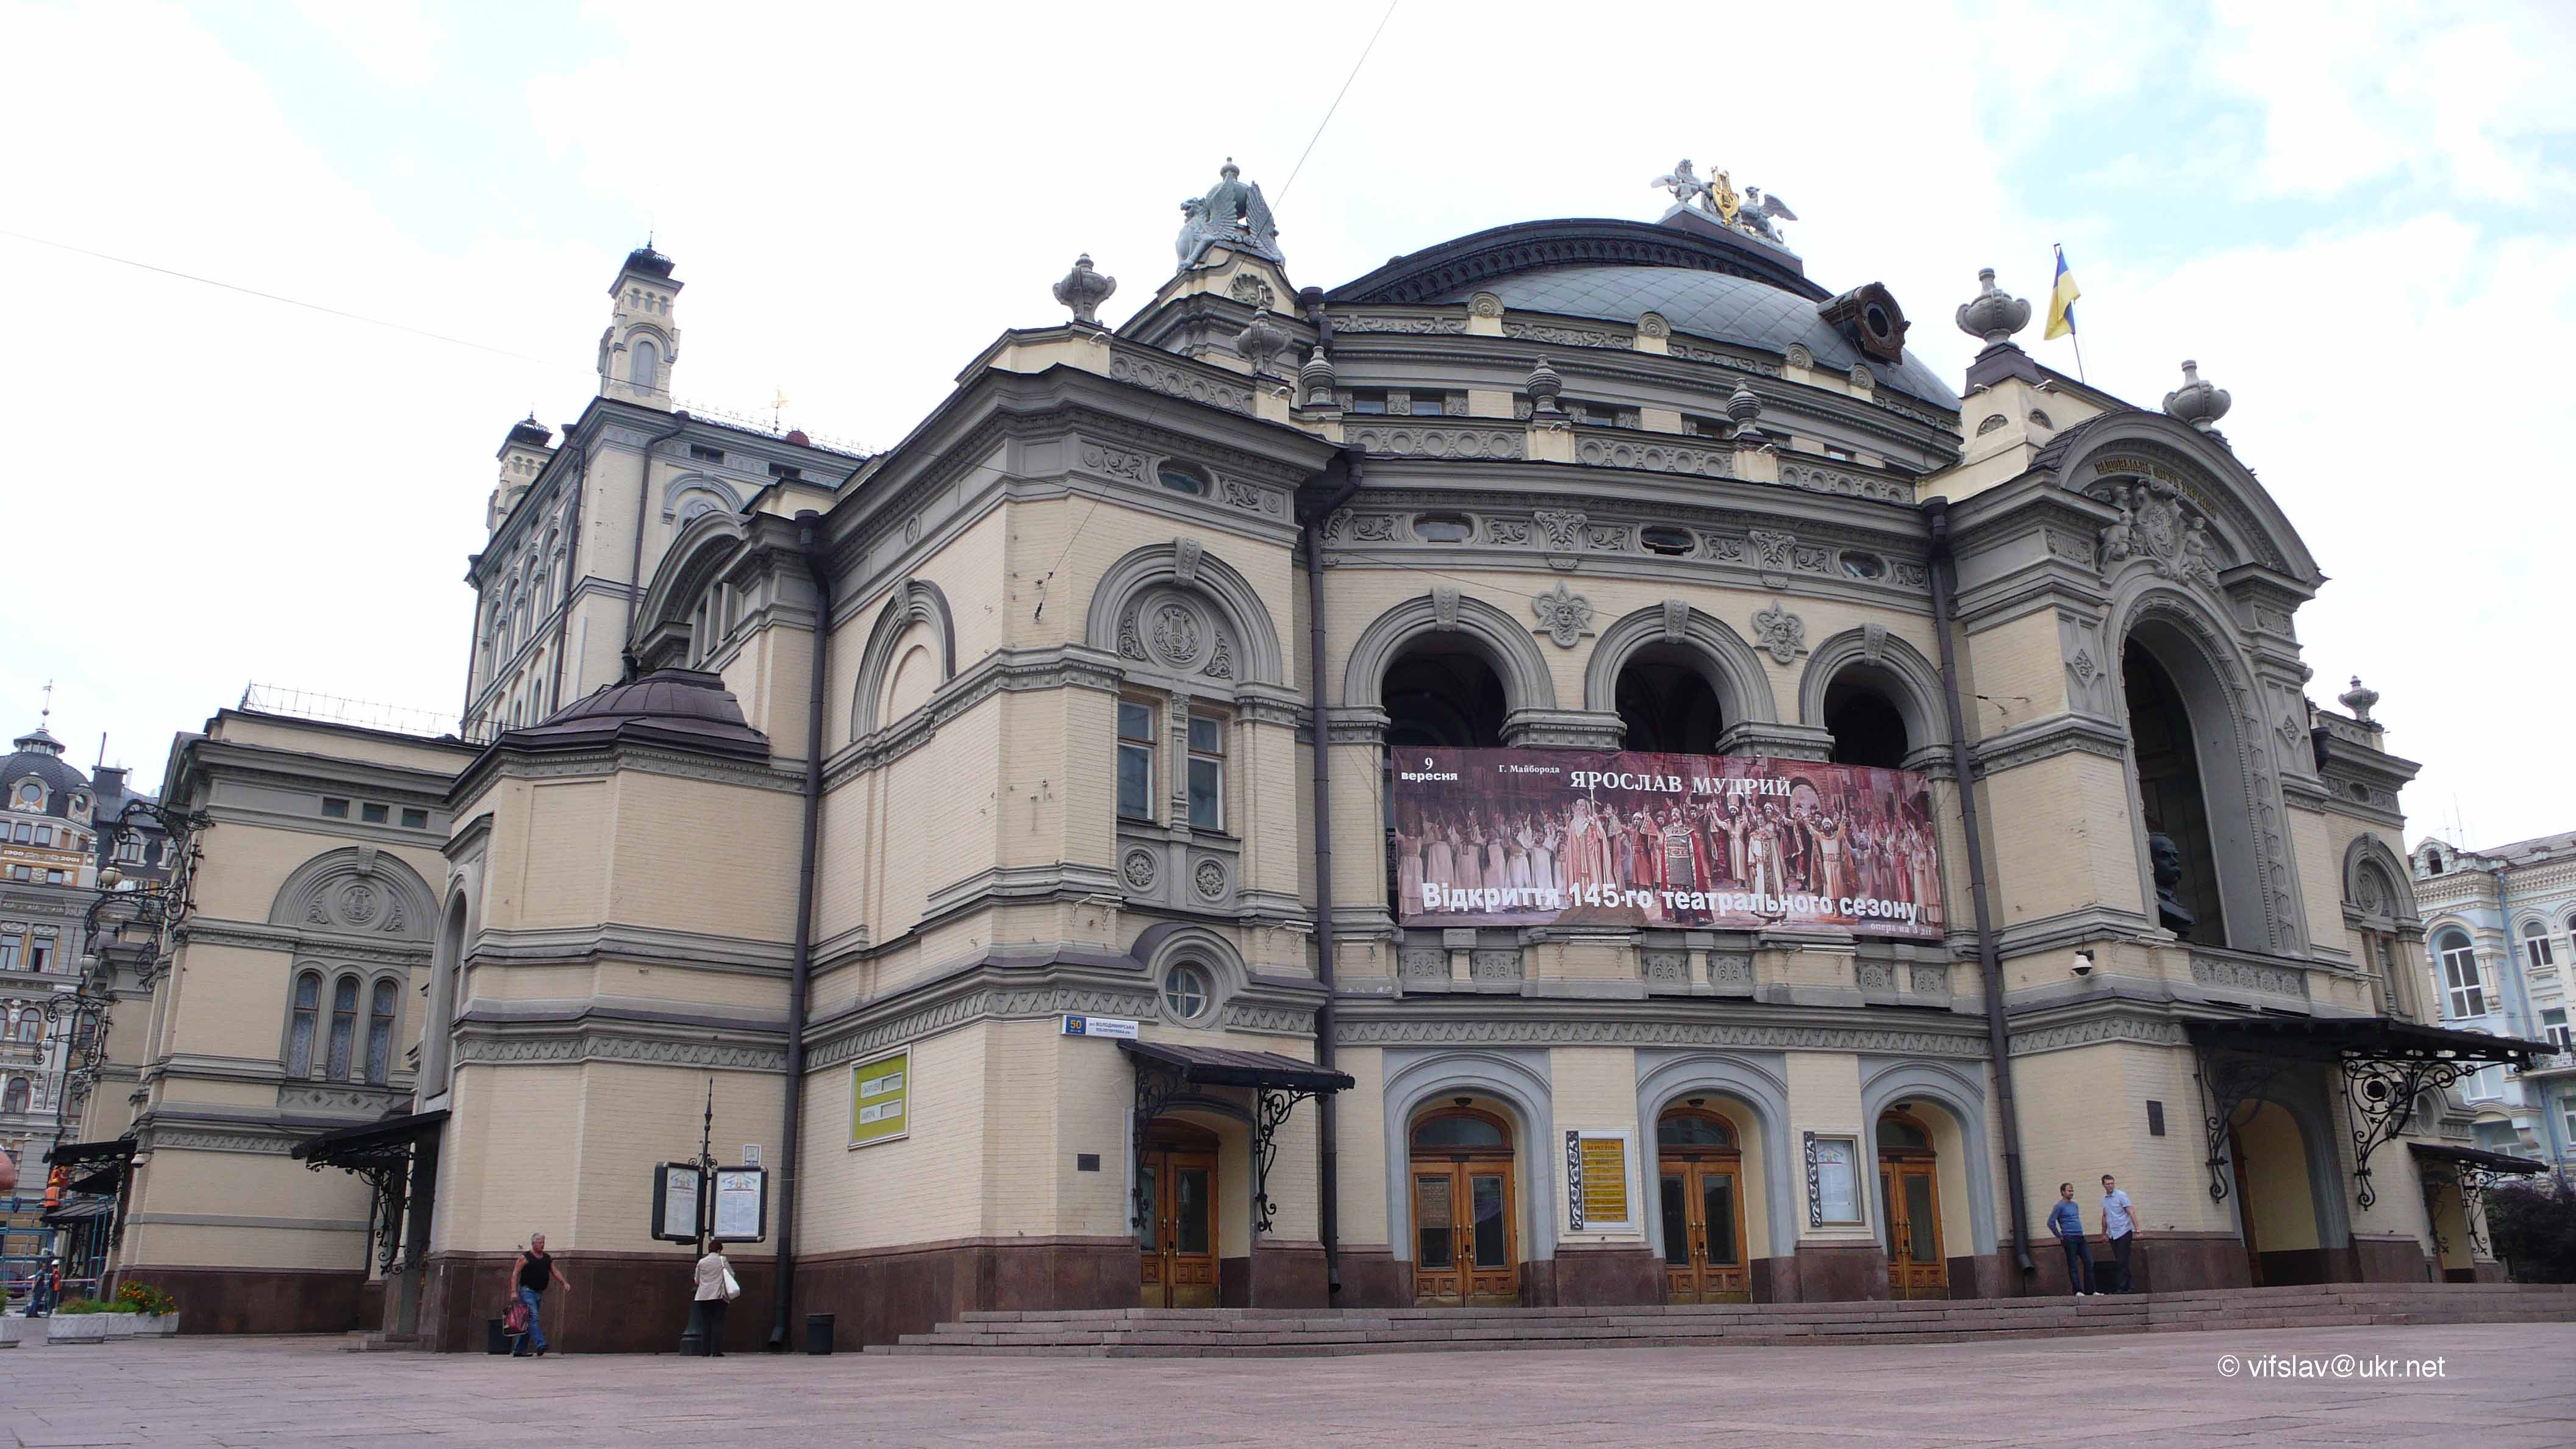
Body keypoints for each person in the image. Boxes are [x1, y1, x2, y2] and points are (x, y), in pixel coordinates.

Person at [512, 1231, 572, 1357]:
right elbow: (515, 1274)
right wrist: (513, 1292)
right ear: (533, 1243)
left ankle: (519, 1350)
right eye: (539, 1242)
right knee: (534, 1317)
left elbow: (555, 1272)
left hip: (538, 1292)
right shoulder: (525, 1257)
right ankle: (540, 1344)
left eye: (543, 1242)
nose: (542, 1245)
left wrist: (564, 1283)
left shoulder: (546, 1258)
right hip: (526, 1291)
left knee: (528, 1321)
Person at [2048, 1182, 2093, 1297]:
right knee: (2073, 1265)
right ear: (2063, 1192)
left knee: (2089, 1262)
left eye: (2072, 1191)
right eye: (2069, 1191)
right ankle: (2078, 1291)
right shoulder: (2059, 1206)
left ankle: (2091, 1291)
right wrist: (2060, 1236)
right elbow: (2051, 1223)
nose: (2071, 1193)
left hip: (2080, 1237)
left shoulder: (2075, 1205)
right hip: (2069, 1238)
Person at [2100, 1174, 2139, 1293]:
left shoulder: (2121, 1195)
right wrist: (2104, 1233)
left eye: (2112, 1183)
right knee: (2122, 1261)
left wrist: (2138, 1230)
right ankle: (2131, 1287)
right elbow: (2105, 1216)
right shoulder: (2104, 1199)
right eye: (2108, 1184)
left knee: (2122, 1261)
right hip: (2113, 1234)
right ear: (2103, 1185)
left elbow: (2131, 1211)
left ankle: (2121, 1288)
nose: (2111, 1186)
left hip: (2124, 1232)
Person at [694, 1243, 734, 1356]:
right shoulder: (722, 1260)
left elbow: (697, 1280)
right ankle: (716, 1351)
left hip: (702, 1296)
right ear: (719, 1250)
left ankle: (705, 1351)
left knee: (706, 1323)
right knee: (717, 1323)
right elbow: (731, 1274)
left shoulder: (702, 1262)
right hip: (718, 1296)